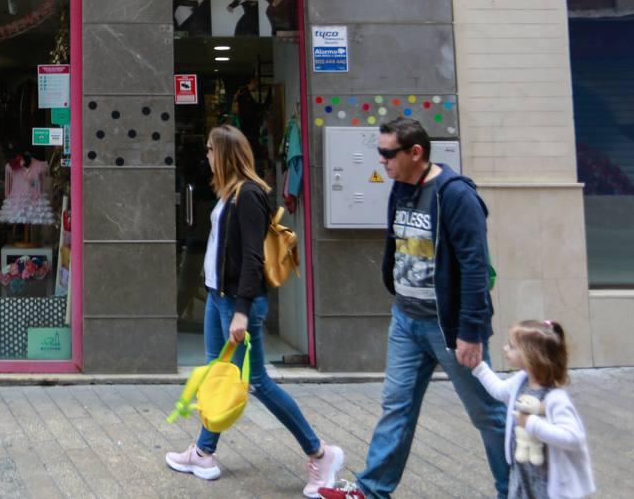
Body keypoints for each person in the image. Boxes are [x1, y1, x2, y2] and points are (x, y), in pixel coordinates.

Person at [322, 119, 508, 499]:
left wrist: (470, 332)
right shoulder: (401, 188)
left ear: (416, 153)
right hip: (407, 319)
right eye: (380, 153)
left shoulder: (455, 195)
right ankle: (372, 490)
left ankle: (519, 490)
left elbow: (474, 266)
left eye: (389, 154)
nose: (382, 162)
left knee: (486, 413)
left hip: (450, 327)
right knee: (396, 406)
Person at [165, 124, 345, 495]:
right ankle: (203, 452)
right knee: (219, 376)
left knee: (258, 381)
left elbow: (251, 257)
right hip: (219, 297)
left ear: (226, 155)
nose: (208, 157)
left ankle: (320, 452)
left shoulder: (248, 195)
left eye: (212, 151)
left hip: (236, 302)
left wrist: (242, 311)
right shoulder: (230, 193)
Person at [474, 320, 595, 499]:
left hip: (548, 484)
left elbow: (574, 438)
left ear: (531, 356)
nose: (505, 348)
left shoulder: (556, 399)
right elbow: (499, 391)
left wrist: (531, 423)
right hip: (521, 475)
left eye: (512, 346)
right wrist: (478, 367)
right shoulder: (520, 381)